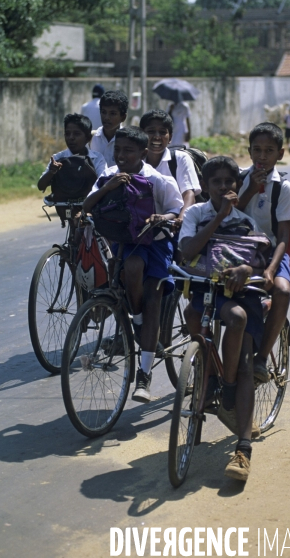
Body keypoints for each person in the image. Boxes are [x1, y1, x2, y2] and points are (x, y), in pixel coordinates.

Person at [179, 156, 265, 482]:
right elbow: (187, 251)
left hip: (239, 294)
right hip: (207, 288)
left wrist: (247, 270)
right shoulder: (196, 215)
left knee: (239, 320)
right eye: (217, 182)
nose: (225, 187)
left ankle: (243, 447)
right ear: (205, 187)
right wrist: (218, 218)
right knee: (191, 313)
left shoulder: (246, 222)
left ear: (237, 186)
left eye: (230, 182)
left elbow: (259, 260)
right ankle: (211, 373)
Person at [83, 127, 183, 403]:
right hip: (125, 243)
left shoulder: (159, 179)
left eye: (129, 150)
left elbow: (176, 211)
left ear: (143, 152)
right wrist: (109, 186)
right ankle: (136, 317)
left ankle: (144, 375)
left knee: (151, 298)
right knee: (131, 269)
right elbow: (87, 206)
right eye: (118, 150)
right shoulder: (108, 175)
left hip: (158, 244)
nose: (121, 155)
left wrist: (162, 217)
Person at [237, 122, 290, 384]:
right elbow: (228, 214)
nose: (262, 157)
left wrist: (272, 270)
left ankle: (262, 357)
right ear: (249, 152)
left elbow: (284, 236)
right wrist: (250, 188)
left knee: (283, 290)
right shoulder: (238, 179)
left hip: (271, 250)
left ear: (280, 154)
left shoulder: (283, 188)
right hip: (238, 249)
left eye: (269, 151)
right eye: (257, 150)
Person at [139, 109, 200, 219]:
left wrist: (180, 220)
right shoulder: (136, 160)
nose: (157, 137)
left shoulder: (180, 159)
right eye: (151, 131)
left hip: (173, 226)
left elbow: (188, 194)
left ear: (170, 137)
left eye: (162, 132)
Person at [37, 113, 106, 193]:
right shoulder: (57, 159)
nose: (71, 137)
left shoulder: (97, 158)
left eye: (76, 134)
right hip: (64, 205)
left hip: (90, 203)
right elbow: (41, 186)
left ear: (88, 138)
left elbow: (103, 183)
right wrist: (51, 172)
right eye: (67, 134)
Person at [90, 90, 128, 168]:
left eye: (112, 113)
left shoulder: (128, 140)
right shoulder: (91, 138)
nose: (107, 118)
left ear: (123, 117)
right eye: (103, 112)